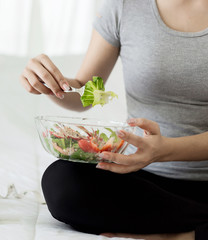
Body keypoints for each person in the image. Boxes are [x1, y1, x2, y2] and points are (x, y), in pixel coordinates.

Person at [20, 0, 208, 239]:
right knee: (62, 183)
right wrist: (50, 83)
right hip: (145, 181)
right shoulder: (124, 6)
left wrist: (165, 150)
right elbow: (86, 94)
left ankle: (182, 235)